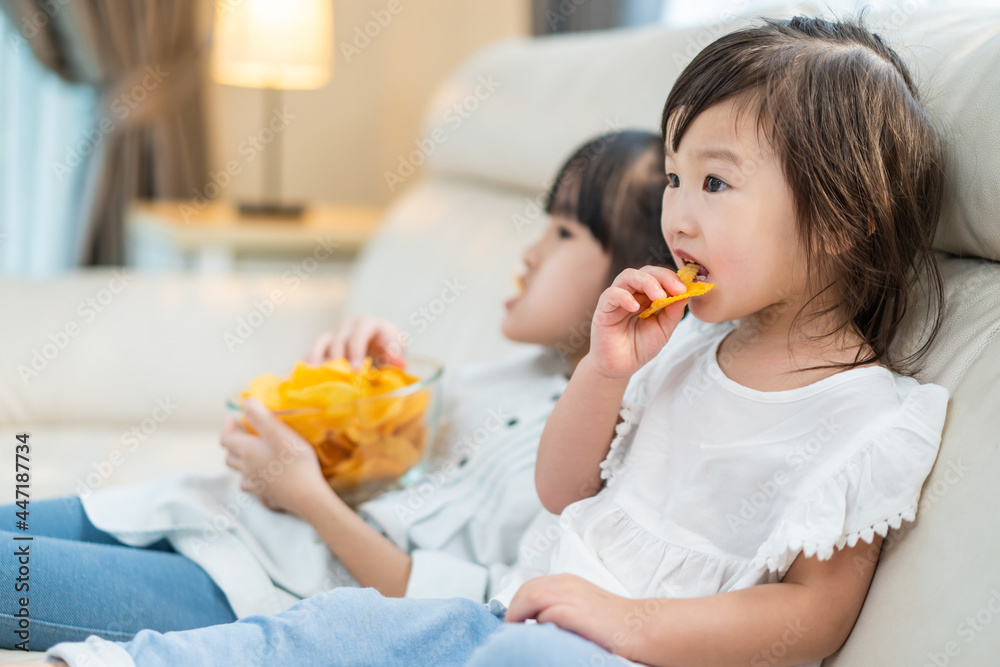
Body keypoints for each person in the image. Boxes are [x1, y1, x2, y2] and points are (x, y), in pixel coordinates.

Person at [30, 13, 951, 667]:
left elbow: (813, 617)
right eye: (675, 176)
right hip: (525, 615)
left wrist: (629, 621)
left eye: (716, 182)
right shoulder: (678, 351)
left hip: (614, 650)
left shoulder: (870, 418)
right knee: (352, 626)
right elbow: (562, 489)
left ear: (846, 218)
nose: (679, 211)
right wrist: (601, 369)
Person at [0, 130, 672, 651]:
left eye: (561, 233)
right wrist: (355, 386)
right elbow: (376, 471)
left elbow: (453, 610)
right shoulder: (505, 376)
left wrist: (306, 496)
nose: (528, 254)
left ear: (637, 274)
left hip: (252, 586)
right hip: (204, 512)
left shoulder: (596, 459)